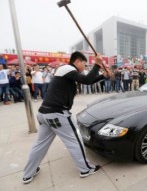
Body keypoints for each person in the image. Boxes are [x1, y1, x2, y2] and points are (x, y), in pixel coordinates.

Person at [23, 51, 110, 184]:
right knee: (75, 141)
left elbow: (87, 81)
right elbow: (86, 79)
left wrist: (102, 76)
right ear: (77, 62)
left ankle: (28, 173)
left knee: (40, 144)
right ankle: (85, 169)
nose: (84, 67)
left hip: (44, 113)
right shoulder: (67, 68)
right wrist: (98, 64)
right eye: (84, 64)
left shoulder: (66, 72)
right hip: (57, 114)